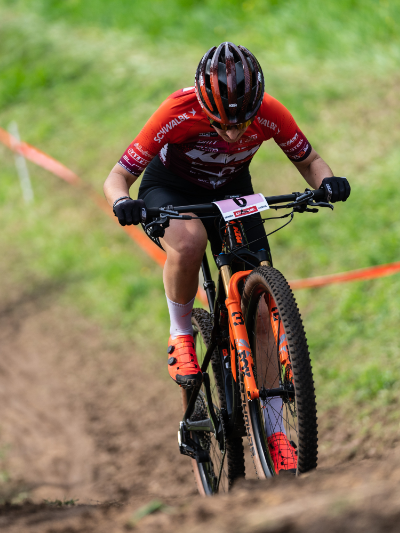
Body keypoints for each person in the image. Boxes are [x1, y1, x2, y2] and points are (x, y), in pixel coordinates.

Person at [103, 42, 351, 474]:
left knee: (262, 313)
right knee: (190, 241)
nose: (234, 134)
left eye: (243, 124)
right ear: (203, 105)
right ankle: (181, 334)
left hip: (233, 191)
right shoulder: (177, 110)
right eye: (222, 124)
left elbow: (310, 160)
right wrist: (123, 201)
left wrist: (327, 182)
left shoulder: (271, 112)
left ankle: (275, 434)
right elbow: (118, 176)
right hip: (172, 189)